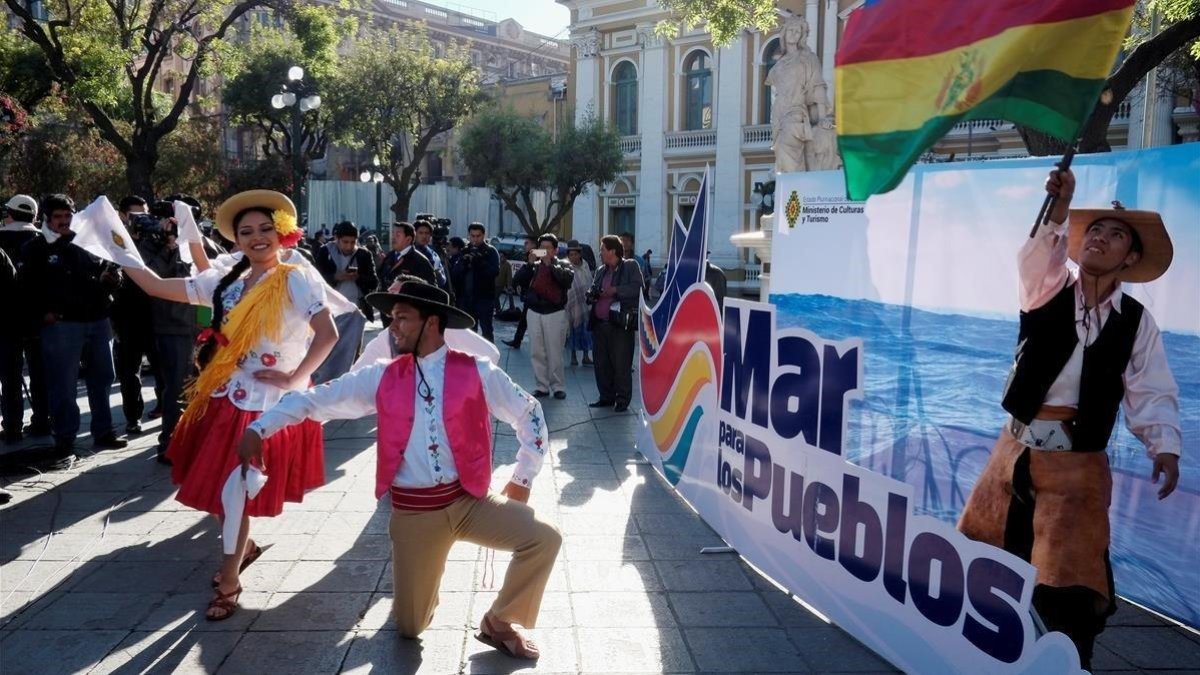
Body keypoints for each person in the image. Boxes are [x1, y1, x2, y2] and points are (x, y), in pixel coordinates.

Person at [237, 278, 559, 659]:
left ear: (432, 322)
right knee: (411, 627)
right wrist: (261, 427)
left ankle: (500, 621)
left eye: (403, 318)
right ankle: (424, 580)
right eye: (392, 318)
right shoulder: (382, 375)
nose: (393, 326)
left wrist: (521, 478)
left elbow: (530, 412)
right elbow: (315, 400)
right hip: (415, 514)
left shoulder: (477, 370)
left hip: (470, 500)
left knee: (544, 539)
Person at [957, 169, 1181, 670]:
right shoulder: (1046, 289)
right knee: (989, 558)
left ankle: (1064, 664)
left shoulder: (1137, 323)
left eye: (1116, 234)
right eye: (1095, 231)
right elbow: (1036, 254)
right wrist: (1060, 208)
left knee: (1069, 581)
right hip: (1012, 454)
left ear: (1132, 258)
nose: (1101, 238)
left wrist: (1163, 444)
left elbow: (1151, 387)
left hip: (1078, 468)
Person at [120, 190, 338, 621]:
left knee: (235, 487)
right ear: (236, 240)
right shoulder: (229, 282)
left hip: (265, 406)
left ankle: (230, 577)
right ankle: (243, 550)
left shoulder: (296, 276)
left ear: (281, 232)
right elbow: (154, 285)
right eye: (246, 232)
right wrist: (112, 244)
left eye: (264, 229)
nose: (257, 238)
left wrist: (296, 379)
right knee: (225, 490)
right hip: (223, 399)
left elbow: (327, 332)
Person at [21, 194, 127, 458]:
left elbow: (112, 268)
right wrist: (43, 314)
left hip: (98, 318)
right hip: (62, 325)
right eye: (58, 217)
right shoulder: (36, 247)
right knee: (63, 384)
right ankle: (65, 437)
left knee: (103, 377)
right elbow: (25, 287)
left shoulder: (88, 241)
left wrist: (113, 279)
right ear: (46, 218)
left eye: (68, 216)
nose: (64, 222)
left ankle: (104, 431)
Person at [0, 194, 50, 443]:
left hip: (7, 320)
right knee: (40, 373)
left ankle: (12, 427)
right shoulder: (42, 239)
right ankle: (42, 421)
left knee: (10, 375)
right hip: (39, 319)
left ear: (10, 214)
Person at [111, 196, 159, 436]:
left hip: (155, 316)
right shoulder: (115, 243)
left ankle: (164, 409)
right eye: (136, 216)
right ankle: (132, 418)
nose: (141, 221)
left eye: (145, 215)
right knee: (130, 373)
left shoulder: (156, 242)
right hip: (127, 317)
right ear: (122, 216)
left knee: (161, 369)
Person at [587, 235, 644, 413]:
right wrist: (592, 294)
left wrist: (615, 290)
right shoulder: (601, 270)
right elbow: (594, 289)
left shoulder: (630, 266)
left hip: (620, 325)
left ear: (612, 251)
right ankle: (606, 396)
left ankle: (622, 399)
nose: (600, 252)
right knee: (601, 363)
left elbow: (638, 288)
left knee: (621, 364)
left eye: (603, 249)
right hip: (600, 324)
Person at [512, 234, 573, 399]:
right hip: (534, 311)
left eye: (548, 248)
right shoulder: (534, 266)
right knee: (536, 351)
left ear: (555, 250)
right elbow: (516, 281)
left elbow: (566, 281)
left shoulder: (564, 265)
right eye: (542, 248)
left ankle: (558, 386)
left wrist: (550, 265)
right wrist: (529, 264)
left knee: (555, 352)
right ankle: (542, 386)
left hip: (554, 313)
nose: (545, 251)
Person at [315, 220, 379, 321]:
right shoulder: (325, 252)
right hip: (331, 309)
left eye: (353, 242)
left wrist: (358, 277)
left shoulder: (364, 254)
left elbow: (374, 283)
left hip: (358, 308)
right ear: (337, 238)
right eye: (345, 242)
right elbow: (315, 280)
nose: (349, 246)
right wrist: (336, 277)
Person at [454, 223, 501, 342]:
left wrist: (480, 262)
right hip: (466, 298)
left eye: (478, 236)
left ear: (484, 235)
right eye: (472, 236)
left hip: (484, 298)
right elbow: (455, 273)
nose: (475, 239)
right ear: (469, 235)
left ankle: (490, 358)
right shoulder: (465, 250)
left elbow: (494, 272)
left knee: (487, 332)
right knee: (469, 332)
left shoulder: (490, 251)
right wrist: (464, 263)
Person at [378, 222, 436, 309]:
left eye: (398, 235)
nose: (393, 237)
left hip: (409, 311)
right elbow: (381, 279)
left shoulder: (420, 261)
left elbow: (431, 290)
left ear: (408, 239)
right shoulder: (389, 256)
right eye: (393, 234)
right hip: (388, 310)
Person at [502, 236, 536, 349]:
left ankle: (518, 341)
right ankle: (517, 341)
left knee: (529, 321)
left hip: (536, 296)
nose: (524, 245)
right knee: (524, 321)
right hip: (529, 295)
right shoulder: (530, 257)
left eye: (527, 243)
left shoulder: (536, 257)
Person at [565, 240, 594, 366]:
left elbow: (589, 281)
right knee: (572, 330)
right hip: (571, 303)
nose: (573, 257)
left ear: (580, 254)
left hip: (585, 302)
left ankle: (586, 356)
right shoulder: (566, 266)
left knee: (586, 330)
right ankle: (573, 356)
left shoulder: (585, 265)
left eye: (575, 254)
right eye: (571, 255)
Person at [413, 219, 449, 291]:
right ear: (415, 234)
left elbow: (442, 281)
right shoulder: (408, 252)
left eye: (427, 233)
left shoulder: (434, 255)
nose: (424, 236)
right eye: (421, 233)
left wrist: (437, 273)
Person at [619, 231, 651, 297]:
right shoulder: (615, 261)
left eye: (628, 240)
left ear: (632, 244)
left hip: (635, 297)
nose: (625, 243)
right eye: (623, 240)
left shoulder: (640, 261)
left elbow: (645, 278)